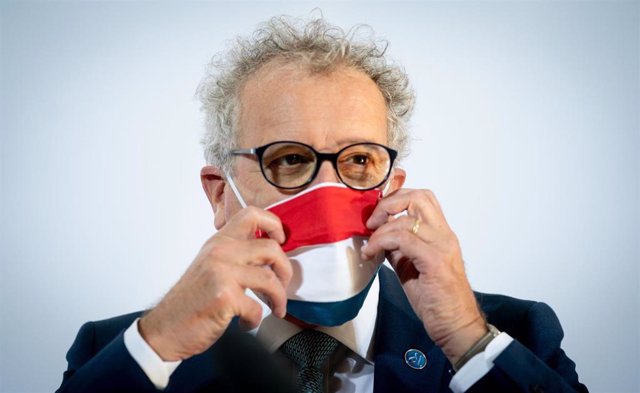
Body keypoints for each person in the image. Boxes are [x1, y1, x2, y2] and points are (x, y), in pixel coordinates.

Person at [57, 15, 588, 393]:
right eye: (289, 160)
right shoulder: (129, 352)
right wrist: (158, 345)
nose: (328, 195)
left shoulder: (517, 337)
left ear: (393, 188)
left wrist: (468, 343)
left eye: (359, 161)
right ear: (221, 194)